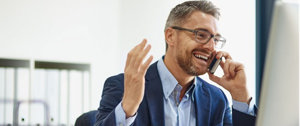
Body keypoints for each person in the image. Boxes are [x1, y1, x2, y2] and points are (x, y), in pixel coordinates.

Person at [95, 1, 256, 126]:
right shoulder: (123, 86)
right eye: (201, 35)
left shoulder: (216, 99)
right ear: (170, 36)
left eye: (215, 39)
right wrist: (128, 107)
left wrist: (240, 95)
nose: (210, 47)